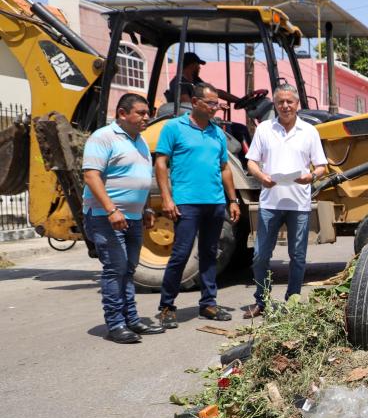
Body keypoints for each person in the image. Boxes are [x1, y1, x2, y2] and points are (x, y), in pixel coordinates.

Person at [154, 82, 241, 327]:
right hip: (186, 203)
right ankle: (167, 306)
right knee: (180, 254)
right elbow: (161, 163)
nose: (216, 107)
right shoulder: (174, 128)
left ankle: (209, 304)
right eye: (211, 103)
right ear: (195, 102)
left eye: (217, 103)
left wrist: (232, 200)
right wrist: (167, 197)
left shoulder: (216, 133)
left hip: (214, 202)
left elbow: (225, 168)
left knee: (209, 254)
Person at [81, 94, 164, 343]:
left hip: (134, 217)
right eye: (140, 112)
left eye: (147, 112)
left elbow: (142, 180)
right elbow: (91, 176)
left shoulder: (139, 141)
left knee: (128, 270)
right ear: (122, 113)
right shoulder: (103, 137)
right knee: (115, 269)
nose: (146, 117)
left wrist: (147, 209)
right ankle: (116, 324)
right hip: (105, 216)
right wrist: (111, 210)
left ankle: (131, 319)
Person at [243, 84, 328, 318]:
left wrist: (311, 176)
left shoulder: (309, 131)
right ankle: (261, 300)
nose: (285, 106)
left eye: (289, 101)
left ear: (297, 104)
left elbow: (322, 166)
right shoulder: (264, 130)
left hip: (298, 204)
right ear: (275, 104)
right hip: (270, 202)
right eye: (280, 102)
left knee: (298, 256)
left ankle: (292, 300)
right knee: (261, 255)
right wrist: (261, 176)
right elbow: (251, 161)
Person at [167, 51, 239, 105]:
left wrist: (239, 100)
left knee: (237, 126)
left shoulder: (196, 81)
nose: (199, 68)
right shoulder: (179, 83)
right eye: (198, 65)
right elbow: (187, 106)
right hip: (189, 122)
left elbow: (215, 92)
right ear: (191, 65)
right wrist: (213, 107)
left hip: (201, 118)